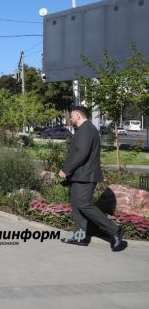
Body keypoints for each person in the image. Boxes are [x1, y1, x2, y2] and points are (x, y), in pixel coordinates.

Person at [59, 105, 125, 251]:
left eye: (71, 116)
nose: (70, 119)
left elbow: (81, 153)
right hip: (81, 175)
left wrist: (66, 169)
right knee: (77, 206)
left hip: (85, 175)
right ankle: (80, 237)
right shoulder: (84, 129)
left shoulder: (86, 130)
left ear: (77, 116)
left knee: (83, 204)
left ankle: (114, 229)